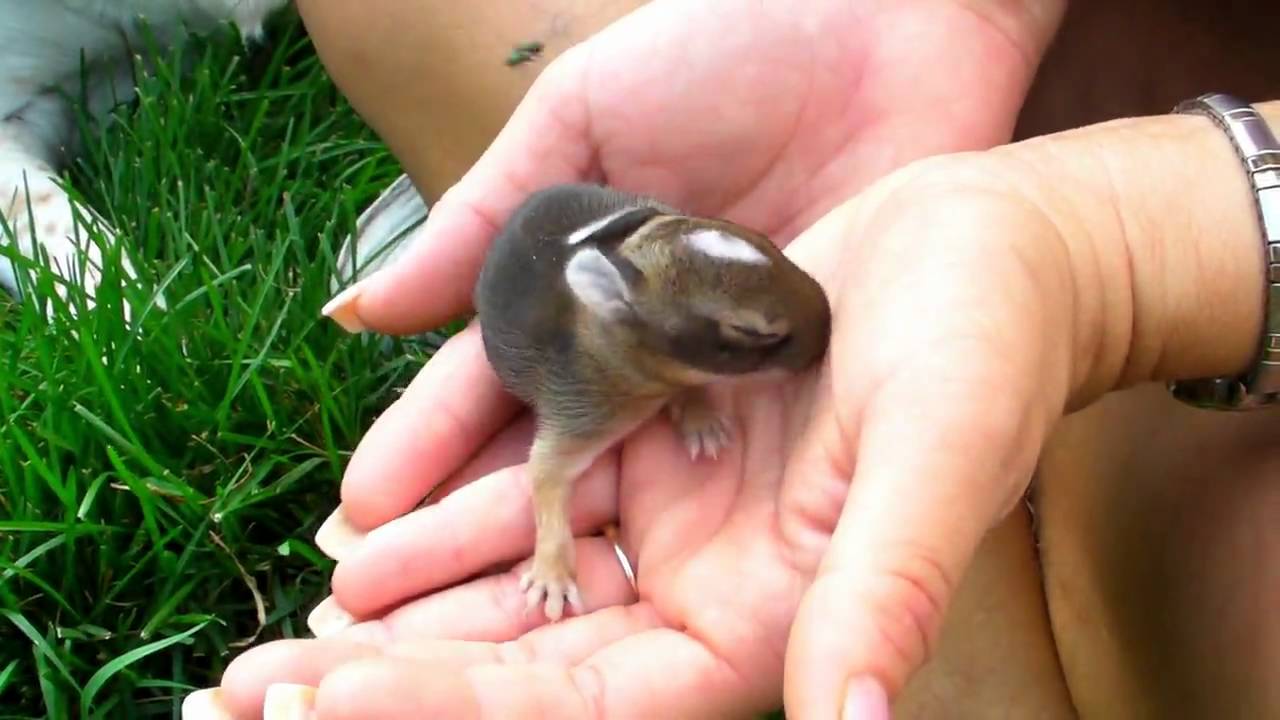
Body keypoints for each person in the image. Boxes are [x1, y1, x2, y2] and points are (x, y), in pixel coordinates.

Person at [184, 0, 1280, 717]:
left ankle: (941, 577)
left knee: (1205, 626)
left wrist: (1117, 243)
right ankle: (929, 600)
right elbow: (560, 465)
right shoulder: (611, 353)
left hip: (1199, 194)